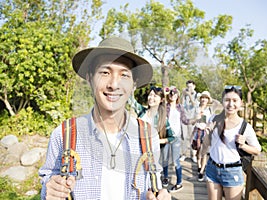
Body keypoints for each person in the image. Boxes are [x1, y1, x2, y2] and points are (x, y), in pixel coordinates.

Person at [38, 37, 171, 200]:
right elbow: (48, 178)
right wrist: (49, 190)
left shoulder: (149, 136)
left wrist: (159, 195)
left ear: (133, 84)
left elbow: (153, 180)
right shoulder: (64, 135)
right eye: (105, 73)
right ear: (89, 78)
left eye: (124, 75)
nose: (114, 84)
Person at [203, 85, 261, 200]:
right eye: (227, 100)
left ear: (241, 103)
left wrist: (243, 145)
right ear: (222, 101)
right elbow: (206, 145)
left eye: (235, 100)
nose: (230, 104)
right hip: (212, 168)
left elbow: (257, 150)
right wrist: (207, 132)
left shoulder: (245, 127)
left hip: (232, 171)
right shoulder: (213, 119)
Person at [129, 86, 175, 188]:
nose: (151, 97)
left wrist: (156, 141)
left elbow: (172, 137)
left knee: (154, 183)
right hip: (137, 152)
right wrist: (131, 89)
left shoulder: (163, 119)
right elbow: (130, 101)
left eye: (155, 96)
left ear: (161, 99)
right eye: (150, 95)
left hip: (153, 156)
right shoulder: (142, 111)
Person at [164, 86, 197, 192]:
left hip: (176, 137)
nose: (172, 95)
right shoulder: (165, 106)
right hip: (165, 136)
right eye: (171, 94)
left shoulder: (180, 107)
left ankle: (179, 182)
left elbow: (185, 121)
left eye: (174, 93)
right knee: (164, 158)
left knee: (175, 160)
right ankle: (165, 177)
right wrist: (165, 93)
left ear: (177, 95)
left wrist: (196, 119)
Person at [192, 91, 213, 181]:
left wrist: (209, 127)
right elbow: (192, 121)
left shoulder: (210, 110)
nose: (204, 99)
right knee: (198, 150)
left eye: (206, 98)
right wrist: (196, 117)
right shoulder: (196, 108)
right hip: (197, 131)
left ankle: (201, 171)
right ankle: (199, 166)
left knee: (204, 152)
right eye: (202, 97)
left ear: (208, 100)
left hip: (205, 132)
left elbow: (211, 121)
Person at [180, 80, 199, 162]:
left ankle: (193, 155)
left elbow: (194, 105)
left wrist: (189, 95)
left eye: (190, 86)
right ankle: (183, 154)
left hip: (192, 119)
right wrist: (183, 95)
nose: (189, 88)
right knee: (184, 137)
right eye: (188, 87)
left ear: (194, 86)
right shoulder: (185, 94)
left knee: (192, 137)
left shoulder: (197, 95)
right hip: (184, 118)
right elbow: (180, 104)